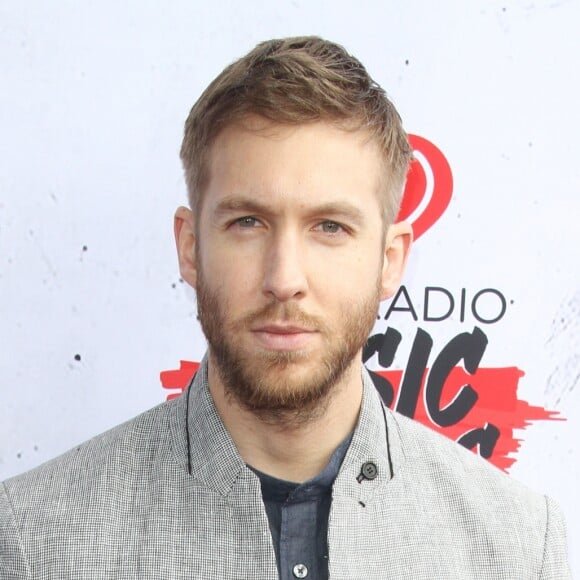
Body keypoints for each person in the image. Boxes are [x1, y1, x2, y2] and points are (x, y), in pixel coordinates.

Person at [0, 36, 570, 579]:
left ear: (391, 259)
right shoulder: (34, 540)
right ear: (190, 246)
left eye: (329, 226)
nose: (284, 278)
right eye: (248, 222)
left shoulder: (517, 546)